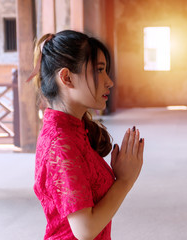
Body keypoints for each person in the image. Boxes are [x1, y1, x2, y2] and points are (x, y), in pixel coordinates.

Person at [28, 30, 144, 240]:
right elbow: (85, 229)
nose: (109, 81)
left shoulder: (74, 129)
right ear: (66, 77)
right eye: (99, 70)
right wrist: (125, 181)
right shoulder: (61, 142)